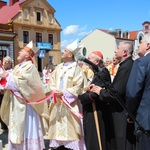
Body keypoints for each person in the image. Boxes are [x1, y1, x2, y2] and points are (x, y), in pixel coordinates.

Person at [0, 41, 49, 150]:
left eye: (21, 51)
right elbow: (13, 82)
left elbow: (24, 83)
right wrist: (5, 78)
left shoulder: (30, 67)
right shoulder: (18, 67)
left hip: (27, 107)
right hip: (16, 104)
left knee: (26, 129)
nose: (18, 52)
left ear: (27, 55)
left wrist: (7, 76)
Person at [91, 41, 136, 150]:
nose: (115, 51)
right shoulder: (126, 65)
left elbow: (116, 93)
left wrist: (100, 91)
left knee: (122, 142)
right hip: (120, 110)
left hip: (121, 111)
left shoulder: (126, 67)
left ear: (124, 52)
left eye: (118, 48)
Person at [45, 39, 88, 150]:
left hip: (70, 105)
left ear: (70, 55)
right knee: (57, 132)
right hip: (57, 104)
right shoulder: (58, 67)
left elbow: (79, 86)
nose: (62, 52)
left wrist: (63, 93)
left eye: (65, 50)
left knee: (71, 131)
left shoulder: (77, 69)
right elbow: (52, 82)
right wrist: (55, 91)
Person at [78, 51, 111, 150]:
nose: (87, 61)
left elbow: (95, 94)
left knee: (96, 138)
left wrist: (81, 97)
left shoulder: (103, 72)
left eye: (89, 58)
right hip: (93, 109)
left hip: (97, 110)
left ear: (96, 62)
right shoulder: (97, 73)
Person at [126, 34, 150, 150]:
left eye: (140, 43)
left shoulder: (141, 62)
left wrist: (130, 114)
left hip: (146, 121)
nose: (138, 46)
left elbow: (132, 93)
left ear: (148, 45)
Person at [0, 56, 13, 133]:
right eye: (4, 61)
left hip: (7, 93)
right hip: (0, 92)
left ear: (10, 63)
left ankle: (7, 125)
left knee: (6, 108)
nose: (5, 62)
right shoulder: (0, 70)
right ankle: (3, 125)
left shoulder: (11, 71)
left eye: (7, 61)